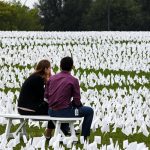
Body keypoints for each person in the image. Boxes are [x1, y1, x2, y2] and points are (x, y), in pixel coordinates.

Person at [45, 56, 94, 140]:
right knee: (89, 111)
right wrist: (76, 105)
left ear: (60, 66)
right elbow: (77, 100)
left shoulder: (52, 78)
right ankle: (84, 137)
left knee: (67, 106)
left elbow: (46, 96)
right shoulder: (73, 80)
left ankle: (65, 130)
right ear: (72, 67)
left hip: (51, 111)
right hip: (63, 112)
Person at [17, 59, 55, 139]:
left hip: (23, 107)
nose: (50, 70)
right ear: (45, 69)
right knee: (55, 110)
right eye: (49, 68)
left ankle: (54, 132)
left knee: (53, 109)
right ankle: (52, 133)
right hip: (28, 108)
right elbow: (43, 97)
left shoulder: (34, 77)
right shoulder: (38, 79)